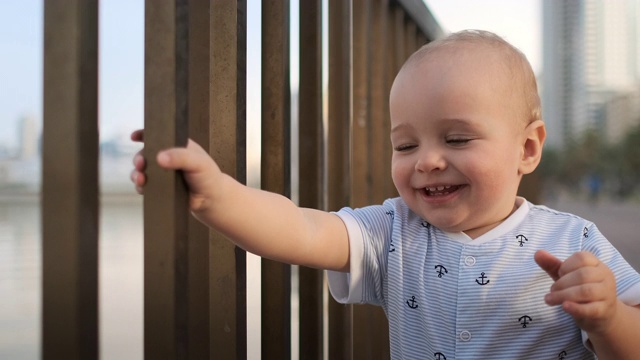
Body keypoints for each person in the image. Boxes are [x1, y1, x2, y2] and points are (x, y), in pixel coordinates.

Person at [131, 30, 640, 359]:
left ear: (527, 149)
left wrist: (609, 319)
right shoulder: (393, 232)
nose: (427, 160)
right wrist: (214, 193)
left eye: (457, 138)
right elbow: (300, 228)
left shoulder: (575, 242)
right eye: (405, 144)